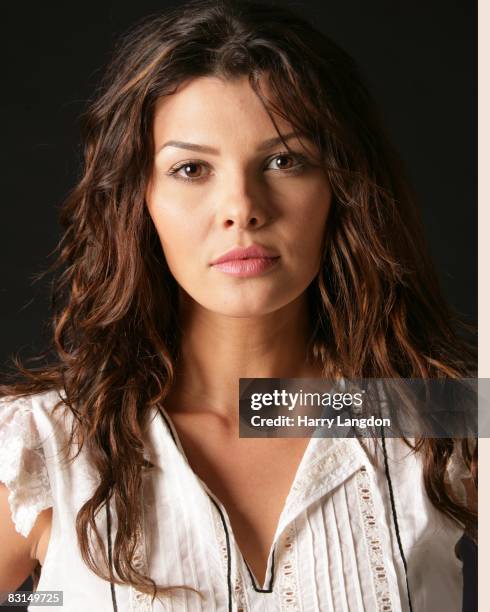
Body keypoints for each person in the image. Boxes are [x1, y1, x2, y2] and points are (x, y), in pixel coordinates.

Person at [0, 1, 477, 610]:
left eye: (284, 161)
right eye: (191, 168)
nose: (242, 207)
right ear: (137, 199)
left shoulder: (438, 418)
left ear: (341, 186)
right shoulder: (43, 445)